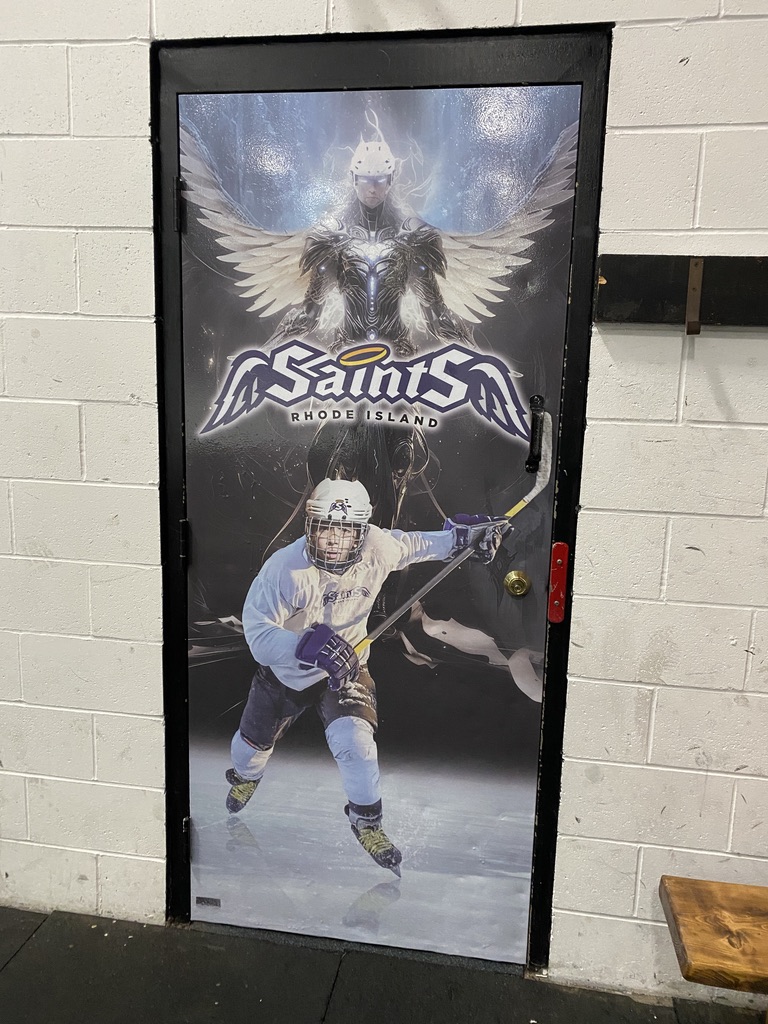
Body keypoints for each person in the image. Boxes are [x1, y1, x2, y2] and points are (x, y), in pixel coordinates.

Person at [225, 477, 508, 875]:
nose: (333, 540)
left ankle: (367, 821)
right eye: (324, 528)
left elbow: (414, 545)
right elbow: (258, 634)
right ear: (310, 526)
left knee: (356, 745)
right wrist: (306, 646)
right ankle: (246, 775)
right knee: (249, 749)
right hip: (286, 675)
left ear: (361, 531)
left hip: (349, 668)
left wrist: (461, 540)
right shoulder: (284, 569)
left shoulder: (378, 546)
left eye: (345, 530)